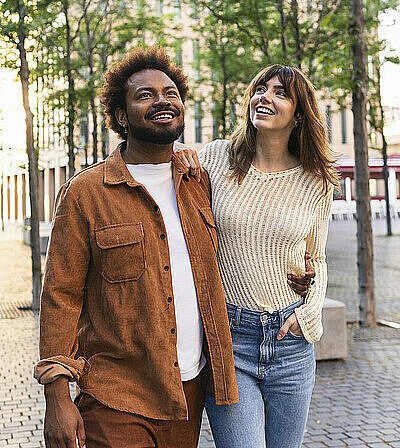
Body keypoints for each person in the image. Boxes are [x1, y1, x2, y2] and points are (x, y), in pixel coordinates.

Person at [34, 49, 311, 448]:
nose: (162, 100)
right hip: (118, 399)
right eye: (145, 95)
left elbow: (251, 228)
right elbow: (60, 296)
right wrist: (57, 396)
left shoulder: (199, 180)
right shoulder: (85, 193)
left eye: (170, 93)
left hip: (190, 395)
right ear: (121, 116)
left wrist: (301, 272)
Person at [175, 64, 338, 448]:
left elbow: (317, 258)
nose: (265, 96)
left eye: (281, 93)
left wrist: (306, 316)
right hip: (230, 340)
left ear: (299, 116)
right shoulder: (215, 159)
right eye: (260, 89)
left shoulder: (316, 180)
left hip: (291, 343)